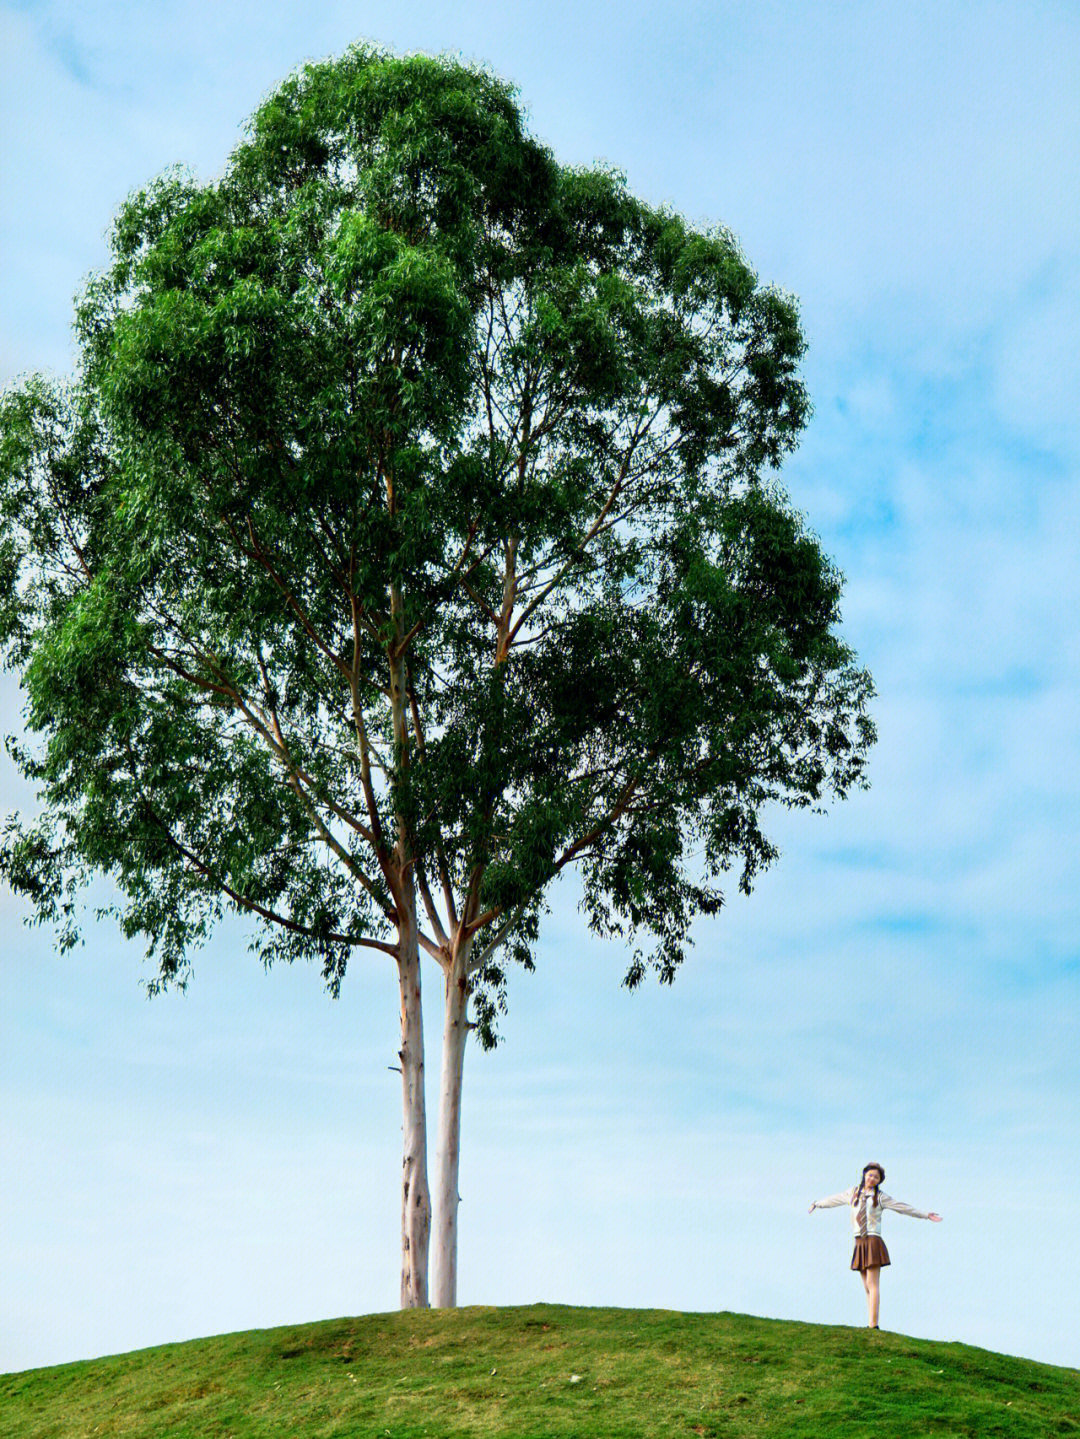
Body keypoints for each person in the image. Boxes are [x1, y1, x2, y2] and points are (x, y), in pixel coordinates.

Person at [809, 1162, 942, 1328]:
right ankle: (871, 1323)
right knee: (866, 1286)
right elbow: (834, 1199)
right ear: (864, 1175)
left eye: (876, 1177)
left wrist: (925, 1215)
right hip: (859, 1240)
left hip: (872, 1240)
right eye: (870, 1175)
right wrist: (817, 1203)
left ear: (879, 1181)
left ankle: (873, 1325)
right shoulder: (853, 1193)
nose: (872, 1178)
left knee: (873, 1284)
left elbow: (902, 1207)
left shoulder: (880, 1197)